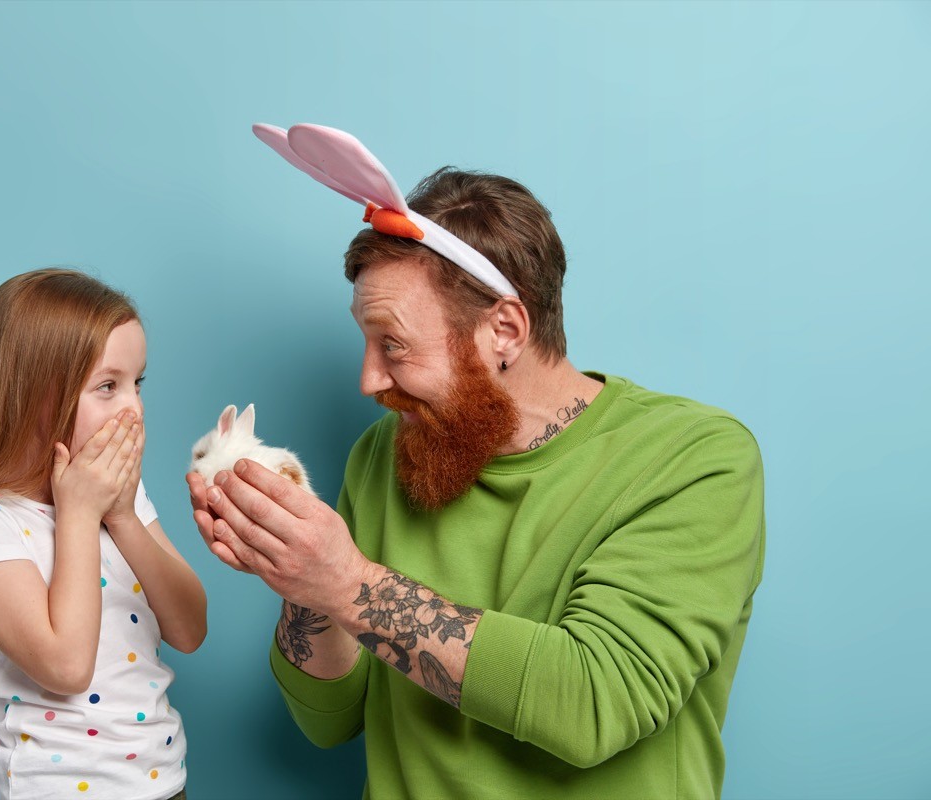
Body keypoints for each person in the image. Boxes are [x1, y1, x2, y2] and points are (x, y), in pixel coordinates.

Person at [188, 167, 765, 799]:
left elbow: (596, 703)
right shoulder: (383, 453)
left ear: (504, 331)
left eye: (394, 345)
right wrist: (297, 577)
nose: (369, 380)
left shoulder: (693, 459)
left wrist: (344, 581)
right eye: (365, 340)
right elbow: (331, 721)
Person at [0, 268, 205, 800]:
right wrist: (79, 514)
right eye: (108, 387)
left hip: (163, 784)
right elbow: (66, 666)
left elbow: (189, 630)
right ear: (33, 396)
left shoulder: (118, 498)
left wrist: (122, 517)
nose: (133, 408)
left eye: (138, 383)